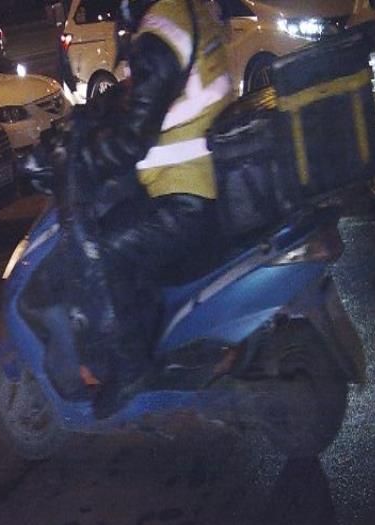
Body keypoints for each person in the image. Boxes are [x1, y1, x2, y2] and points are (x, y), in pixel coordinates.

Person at [26, 0, 233, 416]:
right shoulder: (186, 12)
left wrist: (75, 160)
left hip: (187, 195)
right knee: (121, 223)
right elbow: (148, 94)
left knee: (101, 251)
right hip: (208, 179)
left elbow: (132, 140)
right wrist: (97, 112)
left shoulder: (162, 30)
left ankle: (131, 368)